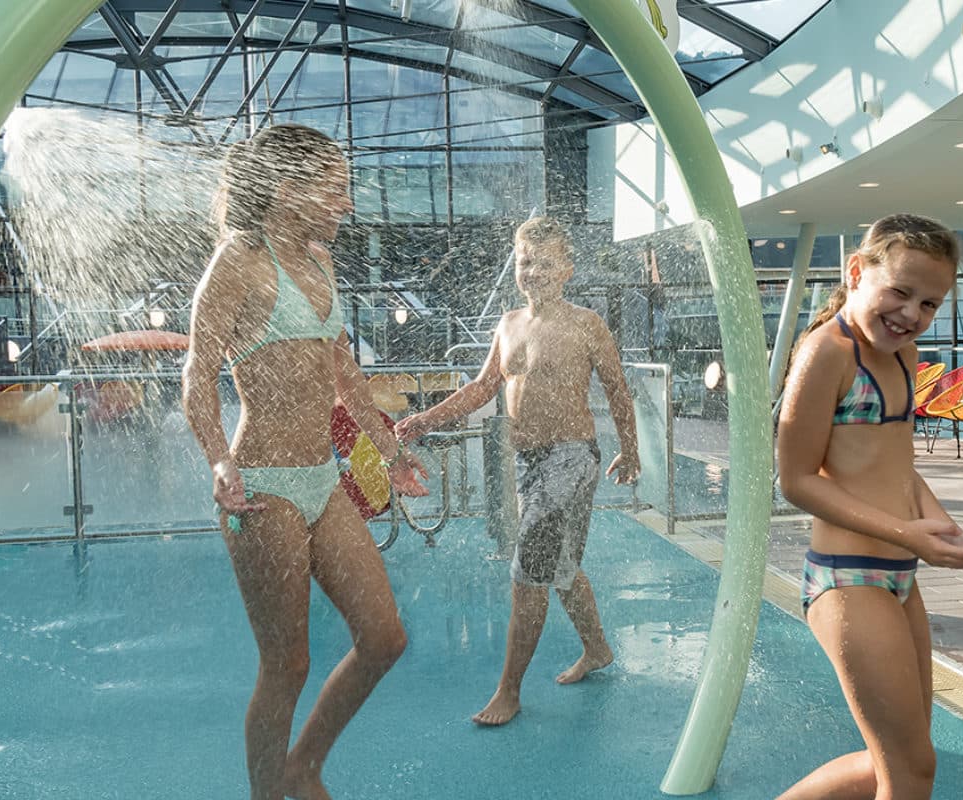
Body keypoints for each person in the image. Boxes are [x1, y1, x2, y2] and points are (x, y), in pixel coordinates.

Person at [182, 124, 426, 800]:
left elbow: (347, 379)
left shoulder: (319, 263)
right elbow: (197, 375)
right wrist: (217, 461)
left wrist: (391, 451)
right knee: (286, 664)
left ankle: (303, 765)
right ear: (287, 191)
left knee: (384, 637)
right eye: (336, 190)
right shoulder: (237, 262)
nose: (347, 204)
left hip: (323, 481)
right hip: (263, 488)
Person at [774, 214, 963, 800]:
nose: (911, 314)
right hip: (847, 581)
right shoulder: (826, 354)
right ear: (857, 272)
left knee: (901, 763)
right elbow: (796, 479)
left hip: (898, 580)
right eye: (900, 292)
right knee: (909, 773)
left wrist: (953, 537)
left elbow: (898, 470)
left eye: (930, 304)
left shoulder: (903, 357)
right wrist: (909, 536)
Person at [395, 216, 640, 726]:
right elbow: (483, 388)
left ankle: (509, 691)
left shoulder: (585, 324)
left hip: (572, 459)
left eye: (546, 263)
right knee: (563, 568)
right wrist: (426, 418)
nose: (534, 271)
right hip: (528, 463)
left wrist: (631, 449)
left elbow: (617, 388)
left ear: (568, 270)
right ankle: (597, 649)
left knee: (529, 571)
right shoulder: (507, 325)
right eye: (526, 261)